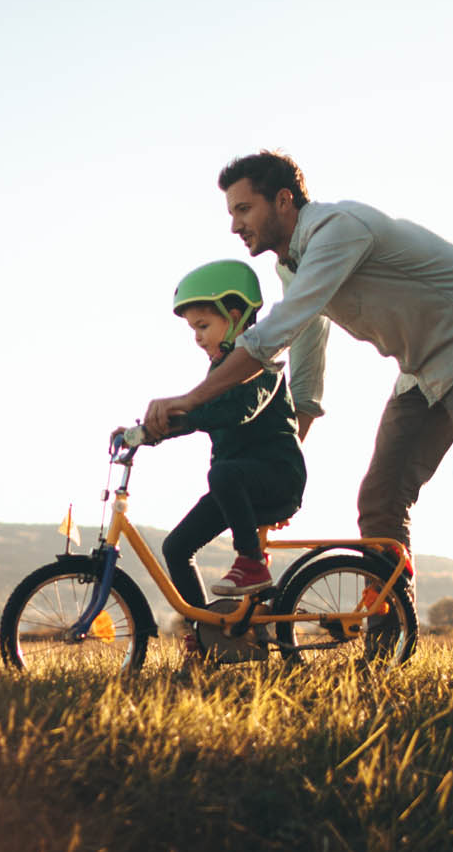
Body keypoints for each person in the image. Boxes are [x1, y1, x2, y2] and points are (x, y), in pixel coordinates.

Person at [142, 150, 453, 677]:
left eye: (244, 209)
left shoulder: (338, 231)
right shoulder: (292, 265)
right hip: (421, 371)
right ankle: (388, 650)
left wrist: (190, 399)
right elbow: (306, 347)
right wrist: (288, 452)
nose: (234, 224)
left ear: (283, 201)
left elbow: (274, 333)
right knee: (380, 502)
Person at [123, 259, 307, 657]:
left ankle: (252, 564)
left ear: (235, 316)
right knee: (176, 547)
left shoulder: (262, 362)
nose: (197, 338)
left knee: (223, 474)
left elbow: (236, 411)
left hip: (276, 476)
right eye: (193, 329)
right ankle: (206, 636)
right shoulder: (219, 371)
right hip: (236, 483)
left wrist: (180, 411)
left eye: (203, 326)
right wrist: (145, 433)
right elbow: (200, 418)